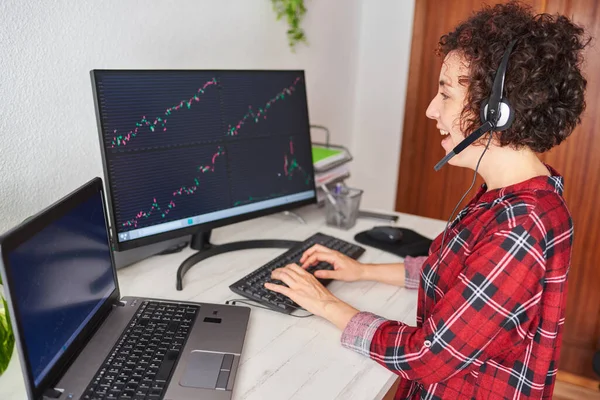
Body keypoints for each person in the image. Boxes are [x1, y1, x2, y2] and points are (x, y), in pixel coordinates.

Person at [264, 2, 589, 399]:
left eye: (446, 94)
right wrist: (362, 272)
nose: (431, 110)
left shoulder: (520, 227)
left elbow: (427, 356)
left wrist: (327, 305)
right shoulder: (521, 195)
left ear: (497, 114)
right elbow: (466, 282)